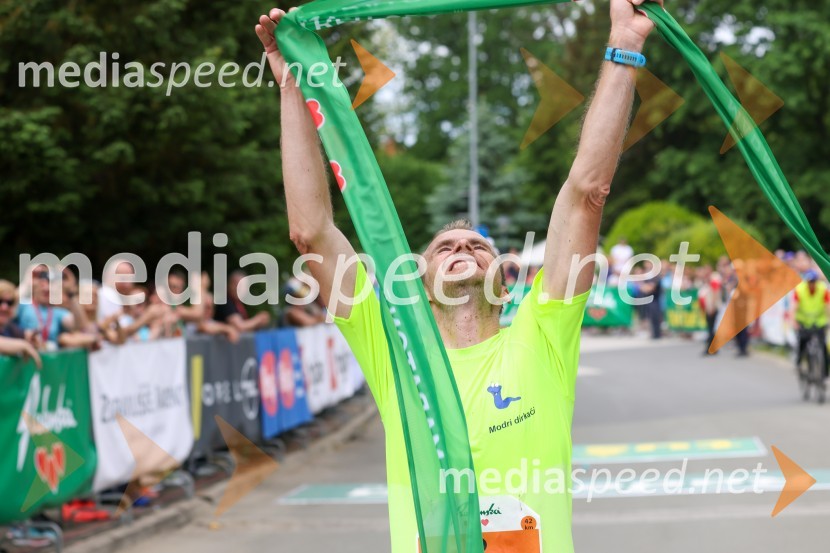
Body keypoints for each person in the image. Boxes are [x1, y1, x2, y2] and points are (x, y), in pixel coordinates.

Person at [257, 1, 660, 551]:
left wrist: (625, 43)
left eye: (478, 245)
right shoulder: (395, 348)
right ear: (418, 281)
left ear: (508, 278)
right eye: (444, 246)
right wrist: (292, 87)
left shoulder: (543, 332)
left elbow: (586, 193)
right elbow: (311, 232)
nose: (462, 246)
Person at [793, 270, 829, 377]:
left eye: (813, 282)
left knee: (823, 347)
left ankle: (825, 372)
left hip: (819, 321)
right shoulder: (800, 289)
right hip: (804, 321)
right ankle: (799, 363)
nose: (811, 284)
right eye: (809, 282)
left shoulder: (823, 289)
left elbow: (828, 306)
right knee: (802, 343)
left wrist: (828, 320)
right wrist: (794, 321)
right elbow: (793, 307)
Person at [0, 280, 41, 367]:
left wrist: (32, 338)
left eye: (9, 303)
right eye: (0, 301)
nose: (4, 307)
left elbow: (27, 335)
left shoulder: (9, 326)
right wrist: (23, 345)